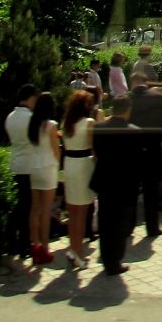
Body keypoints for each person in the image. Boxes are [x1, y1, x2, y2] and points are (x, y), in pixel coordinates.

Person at [92, 94, 143, 275]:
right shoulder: (134, 131)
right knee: (121, 223)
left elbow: (96, 153)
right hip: (125, 183)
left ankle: (107, 259)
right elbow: (137, 160)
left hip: (105, 180)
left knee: (105, 222)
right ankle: (116, 260)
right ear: (128, 109)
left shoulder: (98, 128)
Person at [62, 88, 100, 269]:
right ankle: (78, 253)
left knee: (72, 211)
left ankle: (73, 249)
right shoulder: (89, 122)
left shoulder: (66, 123)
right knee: (82, 212)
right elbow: (94, 148)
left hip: (69, 163)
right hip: (84, 164)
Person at [129, 74, 162, 239]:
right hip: (152, 147)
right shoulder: (157, 97)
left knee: (131, 189)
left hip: (132, 149)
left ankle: (129, 226)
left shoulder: (126, 98)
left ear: (133, 82)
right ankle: (152, 227)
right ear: (146, 82)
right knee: (151, 189)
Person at [24, 90, 60, 266]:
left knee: (35, 208)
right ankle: (45, 248)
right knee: (46, 209)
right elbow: (55, 150)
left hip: (34, 165)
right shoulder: (51, 125)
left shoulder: (33, 123)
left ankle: (35, 244)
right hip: (48, 166)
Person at [4, 84, 39, 261]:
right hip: (29, 165)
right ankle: (24, 243)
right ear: (31, 98)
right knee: (27, 207)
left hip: (15, 163)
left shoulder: (10, 117)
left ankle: (11, 241)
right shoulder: (31, 118)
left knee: (19, 206)